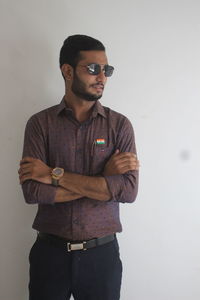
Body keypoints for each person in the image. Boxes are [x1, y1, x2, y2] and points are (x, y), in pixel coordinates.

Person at [18, 34, 139, 300]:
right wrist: (104, 181)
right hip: (49, 255)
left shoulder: (119, 125)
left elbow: (128, 191)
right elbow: (33, 193)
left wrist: (52, 175)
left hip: (102, 257)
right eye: (93, 69)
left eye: (106, 70)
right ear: (68, 71)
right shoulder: (40, 125)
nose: (102, 77)